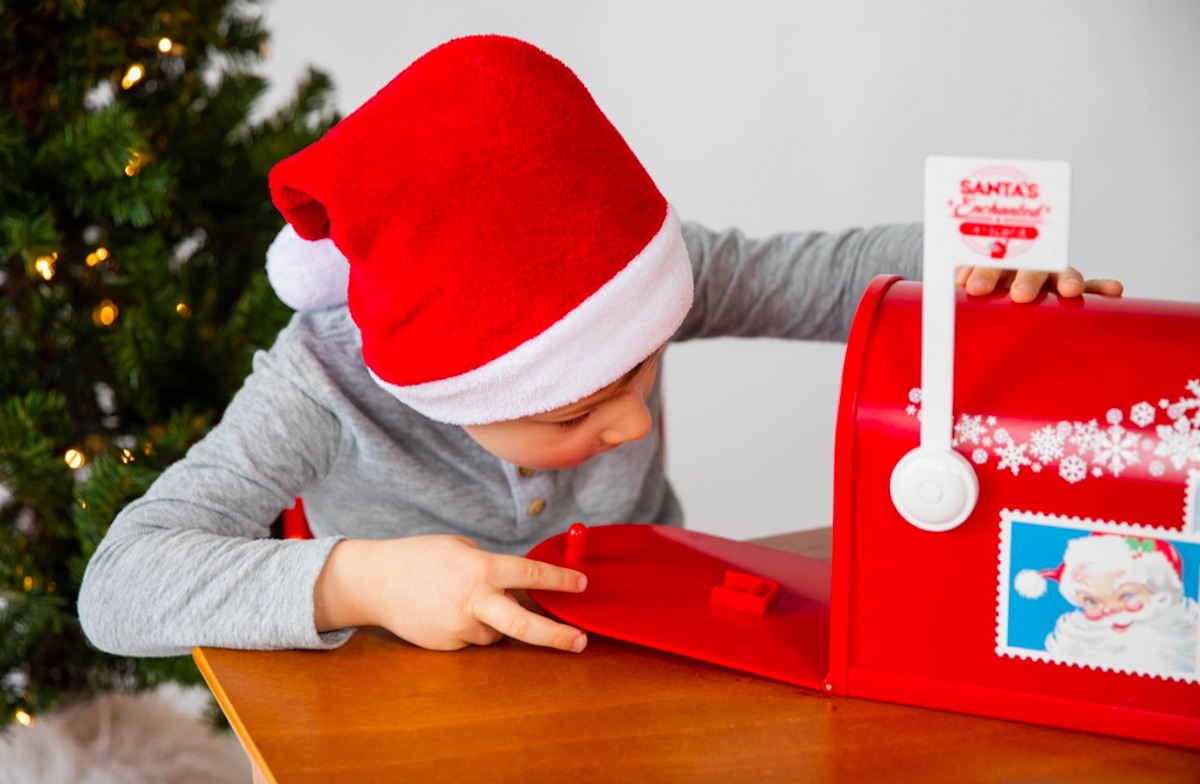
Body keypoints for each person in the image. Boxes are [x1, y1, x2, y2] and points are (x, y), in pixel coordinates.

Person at [77, 35, 1123, 659]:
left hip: (638, 639)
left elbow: (842, 272)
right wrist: (359, 585)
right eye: (574, 411)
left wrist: (983, 264)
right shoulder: (319, 383)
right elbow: (120, 582)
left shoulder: (638, 285)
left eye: (643, 373)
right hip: (412, 694)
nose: (629, 423)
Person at [1017, 533, 1198, 674]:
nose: (1110, 610)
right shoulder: (1077, 649)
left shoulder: (1183, 646)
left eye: (1127, 595)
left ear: (1160, 592)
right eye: (1092, 601)